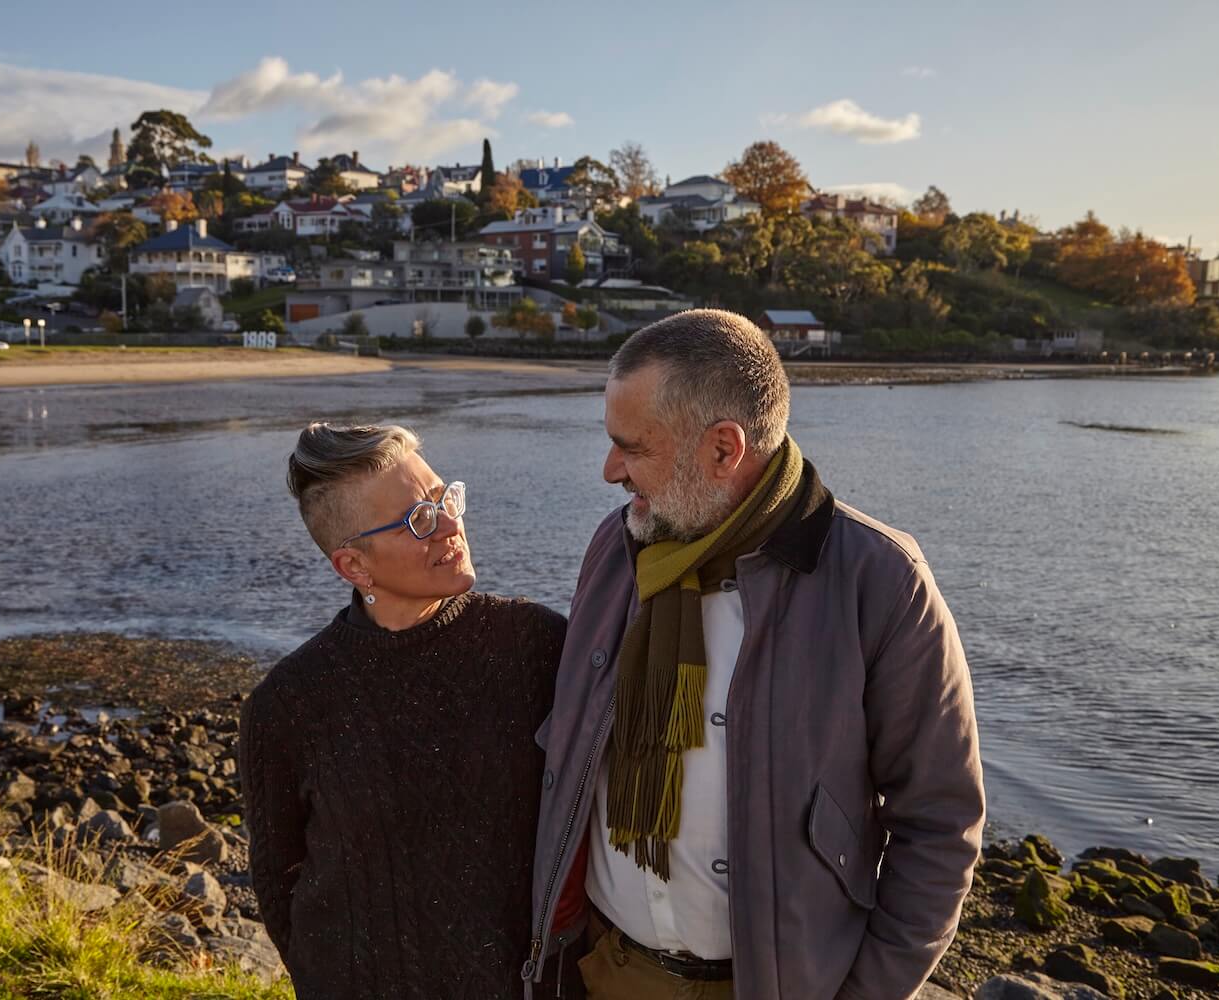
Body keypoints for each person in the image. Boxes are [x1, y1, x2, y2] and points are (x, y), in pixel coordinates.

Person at [523, 310, 985, 1000]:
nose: (610, 470)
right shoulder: (618, 548)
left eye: (632, 448)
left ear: (723, 449)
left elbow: (940, 824)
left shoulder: (880, 580)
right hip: (606, 969)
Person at [239, 422, 582, 1000]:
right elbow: (279, 884)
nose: (450, 525)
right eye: (419, 520)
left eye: (445, 498)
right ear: (354, 566)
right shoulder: (288, 704)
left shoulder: (536, 645)